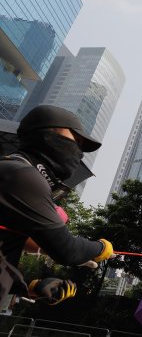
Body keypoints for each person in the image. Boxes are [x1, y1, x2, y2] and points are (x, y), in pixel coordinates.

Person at [0, 105, 114, 304]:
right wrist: (101, 247)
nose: (78, 152)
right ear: (47, 133)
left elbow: (9, 243)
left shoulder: (16, 172)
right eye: (75, 140)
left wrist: (31, 288)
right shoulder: (22, 175)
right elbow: (67, 250)